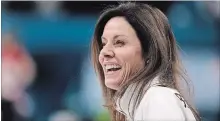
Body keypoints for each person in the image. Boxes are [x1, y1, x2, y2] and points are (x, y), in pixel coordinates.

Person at [90, 2, 201, 121]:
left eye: (119, 42)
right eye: (104, 44)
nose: (104, 53)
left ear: (150, 52)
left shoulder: (158, 99)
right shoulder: (151, 100)